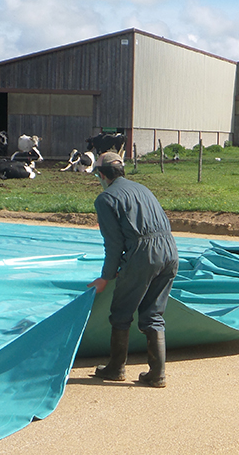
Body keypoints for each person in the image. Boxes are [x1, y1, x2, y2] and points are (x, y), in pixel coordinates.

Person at [87, 152, 179, 388]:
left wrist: (106, 277)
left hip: (144, 254)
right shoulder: (143, 189)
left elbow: (114, 244)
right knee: (154, 314)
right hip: (170, 251)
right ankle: (157, 374)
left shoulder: (106, 199)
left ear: (101, 174)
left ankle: (116, 368)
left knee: (121, 312)